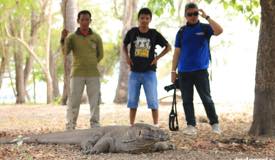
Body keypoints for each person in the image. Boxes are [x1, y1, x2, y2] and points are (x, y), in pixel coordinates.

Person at [171, 2, 223, 135]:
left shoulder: (205, 28)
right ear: (185, 16)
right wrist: (173, 71)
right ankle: (191, 126)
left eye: (195, 13)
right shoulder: (181, 32)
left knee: (206, 98)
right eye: (190, 14)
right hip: (184, 72)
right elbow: (177, 52)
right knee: (187, 100)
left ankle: (215, 123)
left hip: (200, 71)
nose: (193, 16)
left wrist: (207, 17)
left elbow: (219, 31)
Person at [123, 8, 171, 127]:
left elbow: (168, 47)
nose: (144, 20)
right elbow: (124, 44)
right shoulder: (133, 32)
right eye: (142, 18)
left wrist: (157, 58)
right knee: (133, 101)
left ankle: (155, 125)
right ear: (138, 19)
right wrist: (127, 57)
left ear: (150, 20)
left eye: (147, 18)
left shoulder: (154, 33)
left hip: (149, 72)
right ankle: (131, 125)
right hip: (134, 73)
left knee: (153, 100)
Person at [61, 10, 104, 130]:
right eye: (82, 19)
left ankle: (95, 124)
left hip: (93, 73)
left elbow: (101, 54)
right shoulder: (72, 37)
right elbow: (65, 52)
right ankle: (70, 125)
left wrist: (92, 63)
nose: (85, 22)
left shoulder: (96, 37)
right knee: (73, 100)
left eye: (87, 19)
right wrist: (63, 38)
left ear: (90, 21)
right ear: (78, 21)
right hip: (77, 73)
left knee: (95, 101)